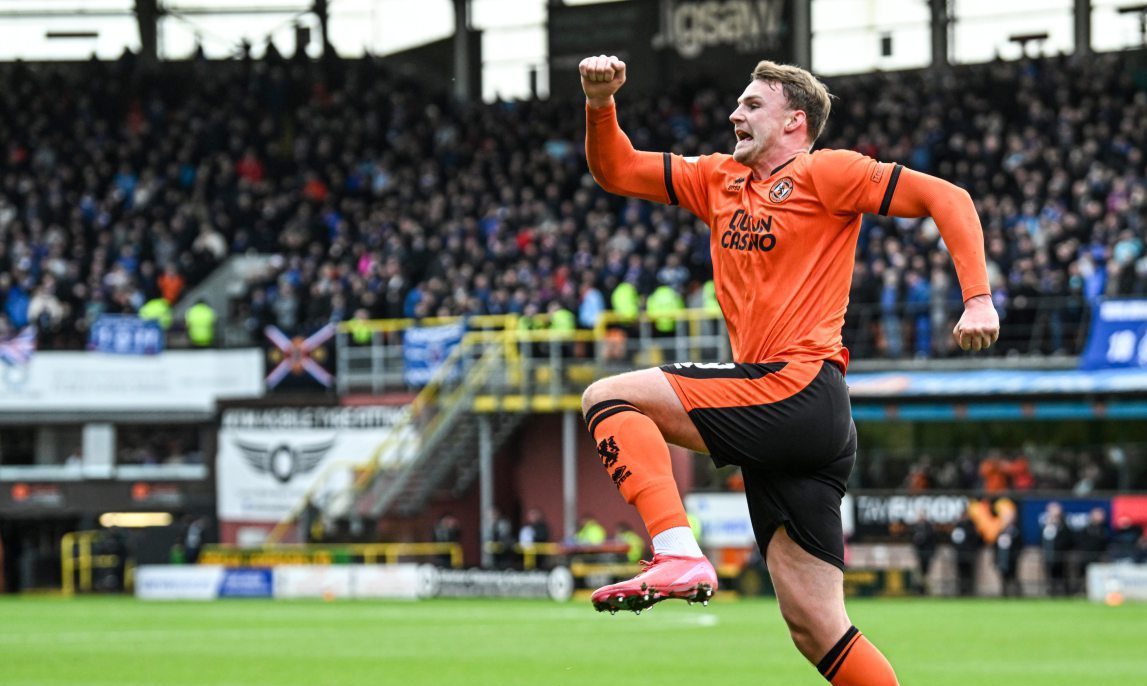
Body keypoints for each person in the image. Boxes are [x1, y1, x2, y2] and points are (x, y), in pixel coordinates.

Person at [577, 54, 998, 685]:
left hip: (797, 389)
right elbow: (616, 169)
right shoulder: (716, 178)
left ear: (795, 122)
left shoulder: (828, 172)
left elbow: (947, 196)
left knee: (610, 396)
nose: (733, 114)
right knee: (815, 626)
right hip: (793, 421)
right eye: (738, 105)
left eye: (752, 105)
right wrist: (599, 103)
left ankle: (676, 551)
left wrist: (978, 298)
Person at [1041, 502, 1073, 596]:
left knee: (1062, 577)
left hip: (1061, 557)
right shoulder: (1046, 527)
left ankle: (1065, 594)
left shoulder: (1064, 526)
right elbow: (1042, 541)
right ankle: (1051, 593)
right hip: (1048, 557)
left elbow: (1068, 540)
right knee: (1050, 577)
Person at [994, 507, 1022, 597]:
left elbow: (1019, 546)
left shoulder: (1016, 532)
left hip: (1012, 560)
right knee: (1003, 579)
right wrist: (996, 560)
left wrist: (1015, 556)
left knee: (1013, 578)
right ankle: (1004, 595)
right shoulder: (1000, 532)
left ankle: (1016, 595)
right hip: (1002, 560)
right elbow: (995, 547)